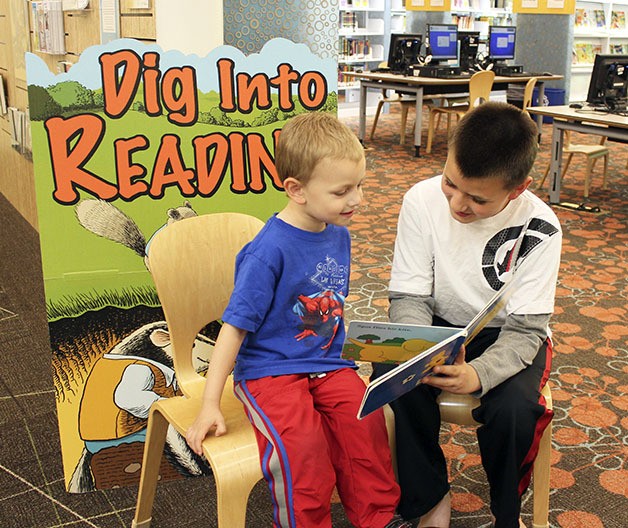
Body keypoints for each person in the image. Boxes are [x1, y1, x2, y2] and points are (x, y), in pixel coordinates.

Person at [186, 111, 410, 528]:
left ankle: (377, 520)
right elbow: (233, 329)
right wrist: (210, 404)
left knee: (365, 425)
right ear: (296, 189)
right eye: (343, 191)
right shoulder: (267, 251)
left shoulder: (337, 230)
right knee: (303, 448)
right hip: (270, 371)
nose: (357, 200)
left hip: (326, 364)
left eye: (359, 185)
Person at [373, 102, 562, 528]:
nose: (458, 204)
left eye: (477, 198)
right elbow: (408, 295)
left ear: (518, 189)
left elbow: (526, 330)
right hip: (434, 323)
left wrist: (478, 374)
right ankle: (429, 500)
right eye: (450, 183)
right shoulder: (421, 200)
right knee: (394, 378)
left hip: (507, 334)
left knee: (514, 411)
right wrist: (419, 348)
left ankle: (506, 514)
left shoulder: (542, 226)